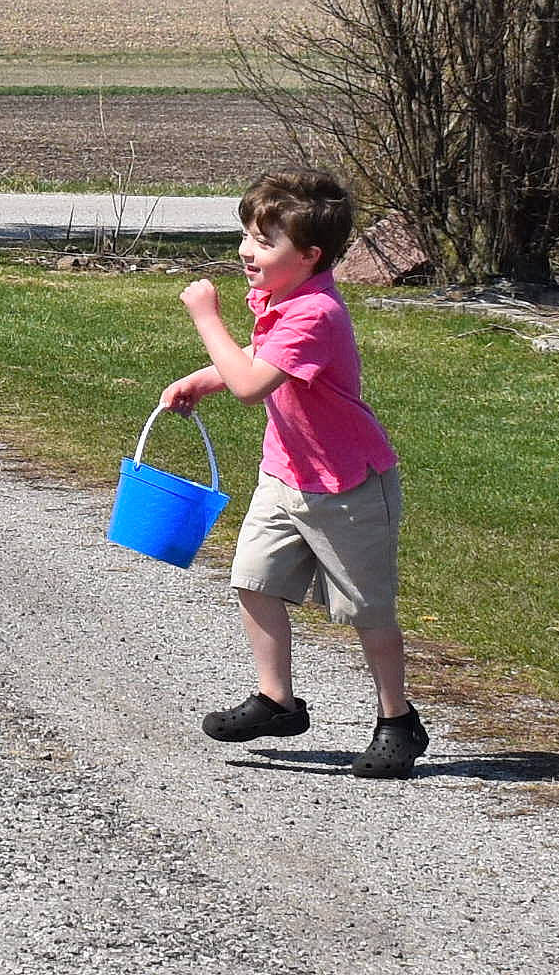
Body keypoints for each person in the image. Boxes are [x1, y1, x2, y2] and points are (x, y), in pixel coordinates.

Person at [159, 166, 428, 779]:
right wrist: (203, 380)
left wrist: (205, 317)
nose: (247, 251)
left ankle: (397, 719)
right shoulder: (285, 297)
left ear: (309, 256)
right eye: (247, 235)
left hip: (347, 486)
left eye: (264, 241)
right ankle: (277, 700)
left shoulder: (317, 313)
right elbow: (259, 359)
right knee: (253, 579)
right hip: (284, 475)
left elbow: (253, 385)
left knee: (367, 611)